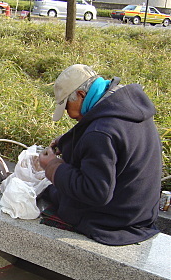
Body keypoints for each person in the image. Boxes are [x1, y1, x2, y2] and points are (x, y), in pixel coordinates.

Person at [38, 64, 161, 246]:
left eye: (66, 107)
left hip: (115, 223)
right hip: (141, 213)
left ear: (81, 95)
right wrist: (66, 142)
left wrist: (52, 166)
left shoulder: (101, 133)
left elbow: (95, 192)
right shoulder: (127, 109)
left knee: (50, 193)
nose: (68, 114)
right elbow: (106, 138)